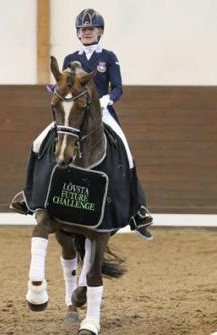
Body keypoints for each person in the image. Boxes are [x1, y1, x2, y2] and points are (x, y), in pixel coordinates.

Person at [10, 8, 154, 240]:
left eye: (91, 29)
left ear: (99, 32)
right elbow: (63, 85)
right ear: (78, 33)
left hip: (102, 113)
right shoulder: (69, 59)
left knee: (126, 154)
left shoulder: (108, 57)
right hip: (74, 115)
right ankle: (28, 197)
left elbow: (118, 87)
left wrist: (107, 99)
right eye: (83, 30)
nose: (87, 33)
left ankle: (138, 210)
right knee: (38, 143)